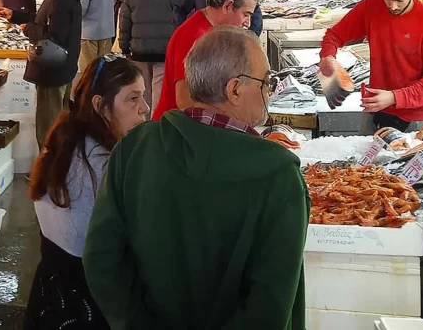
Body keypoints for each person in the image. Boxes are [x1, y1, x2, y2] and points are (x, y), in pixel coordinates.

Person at [84, 27, 308, 330]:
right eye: (266, 82)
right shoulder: (279, 173)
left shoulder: (135, 147)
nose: (269, 91)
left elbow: (102, 259)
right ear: (235, 90)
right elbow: (270, 304)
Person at [24, 56, 149, 329]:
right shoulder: (105, 164)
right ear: (99, 105)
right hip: (87, 304)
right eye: (133, 99)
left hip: (50, 292)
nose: (145, 108)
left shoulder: (65, 137)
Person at [320, 0, 423, 132]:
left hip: (415, 118)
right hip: (375, 109)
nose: (393, 7)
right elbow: (334, 35)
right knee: (363, 158)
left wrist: (394, 97)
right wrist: (328, 56)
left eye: (400, 1)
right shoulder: (371, 7)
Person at [153, 0, 258, 119]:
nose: (248, 23)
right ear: (228, 6)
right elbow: (185, 101)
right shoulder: (195, 36)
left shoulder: (211, 30)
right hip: (174, 130)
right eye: (246, 15)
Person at [23, 0, 87, 149]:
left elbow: (54, 35)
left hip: (52, 69)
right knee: (61, 118)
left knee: (49, 125)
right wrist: (16, 16)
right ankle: (61, 165)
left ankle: (48, 171)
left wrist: (28, 29)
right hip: (64, 66)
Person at [119, 0, 180, 112]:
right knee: (159, 91)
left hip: (139, 49)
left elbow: (124, 22)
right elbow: (178, 21)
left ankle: (143, 122)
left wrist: (124, 47)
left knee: (142, 90)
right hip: (164, 50)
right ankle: (156, 123)